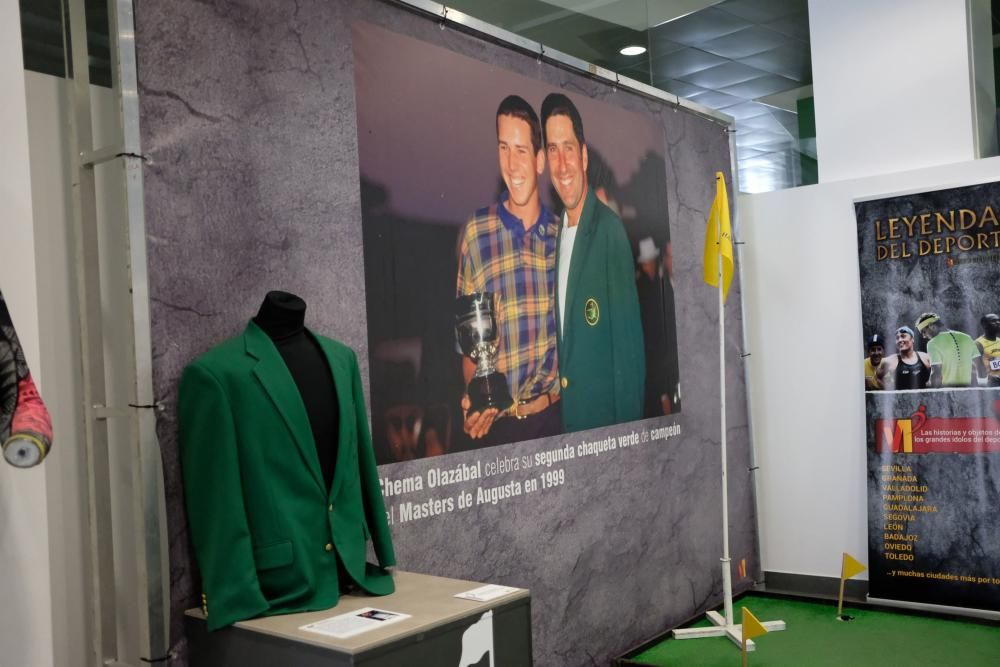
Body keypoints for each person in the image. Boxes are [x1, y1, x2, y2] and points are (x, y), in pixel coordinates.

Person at [456, 95, 561, 445]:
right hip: (499, 433)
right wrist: (474, 403)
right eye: (504, 148)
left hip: (555, 423)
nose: (511, 165)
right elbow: (470, 349)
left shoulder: (563, 239)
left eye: (520, 151)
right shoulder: (476, 233)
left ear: (540, 159)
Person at [541, 92, 644, 431]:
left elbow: (629, 363)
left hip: (603, 439)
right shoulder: (555, 234)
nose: (562, 164)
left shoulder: (608, 231)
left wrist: (625, 450)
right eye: (553, 150)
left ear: (583, 156)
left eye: (568, 148)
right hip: (569, 436)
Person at [636, 237, 680, 415]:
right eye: (670, 256)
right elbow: (654, 347)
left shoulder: (661, 287)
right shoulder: (649, 292)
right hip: (660, 383)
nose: (648, 267)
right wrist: (663, 395)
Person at [915, 312, 979, 387]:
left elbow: (936, 373)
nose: (924, 336)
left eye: (923, 331)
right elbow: (979, 365)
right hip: (969, 390)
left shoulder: (932, 343)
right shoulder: (967, 337)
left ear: (931, 326)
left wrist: (933, 393)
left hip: (948, 393)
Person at [975, 313, 1000, 387]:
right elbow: (976, 366)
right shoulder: (978, 343)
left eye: (999, 320)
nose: (998, 323)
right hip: (991, 383)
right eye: (993, 321)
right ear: (985, 325)